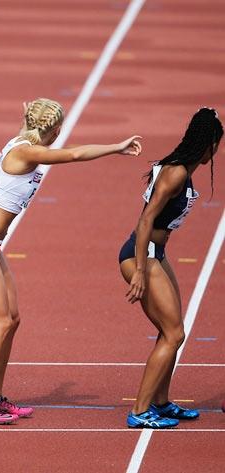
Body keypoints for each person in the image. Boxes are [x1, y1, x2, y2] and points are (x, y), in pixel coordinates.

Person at [0, 98, 142, 424]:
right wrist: (116, 147)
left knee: (11, 320)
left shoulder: (22, 141)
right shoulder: (26, 151)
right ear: (54, 130)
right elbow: (71, 154)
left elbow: (35, 131)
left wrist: (29, 113)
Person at [120, 107, 222, 429]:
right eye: (217, 145)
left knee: (172, 331)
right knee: (174, 332)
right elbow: (146, 219)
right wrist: (138, 270)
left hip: (156, 253)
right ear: (208, 144)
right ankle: (139, 410)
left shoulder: (182, 168)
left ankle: (160, 402)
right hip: (143, 253)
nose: (217, 152)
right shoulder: (176, 173)